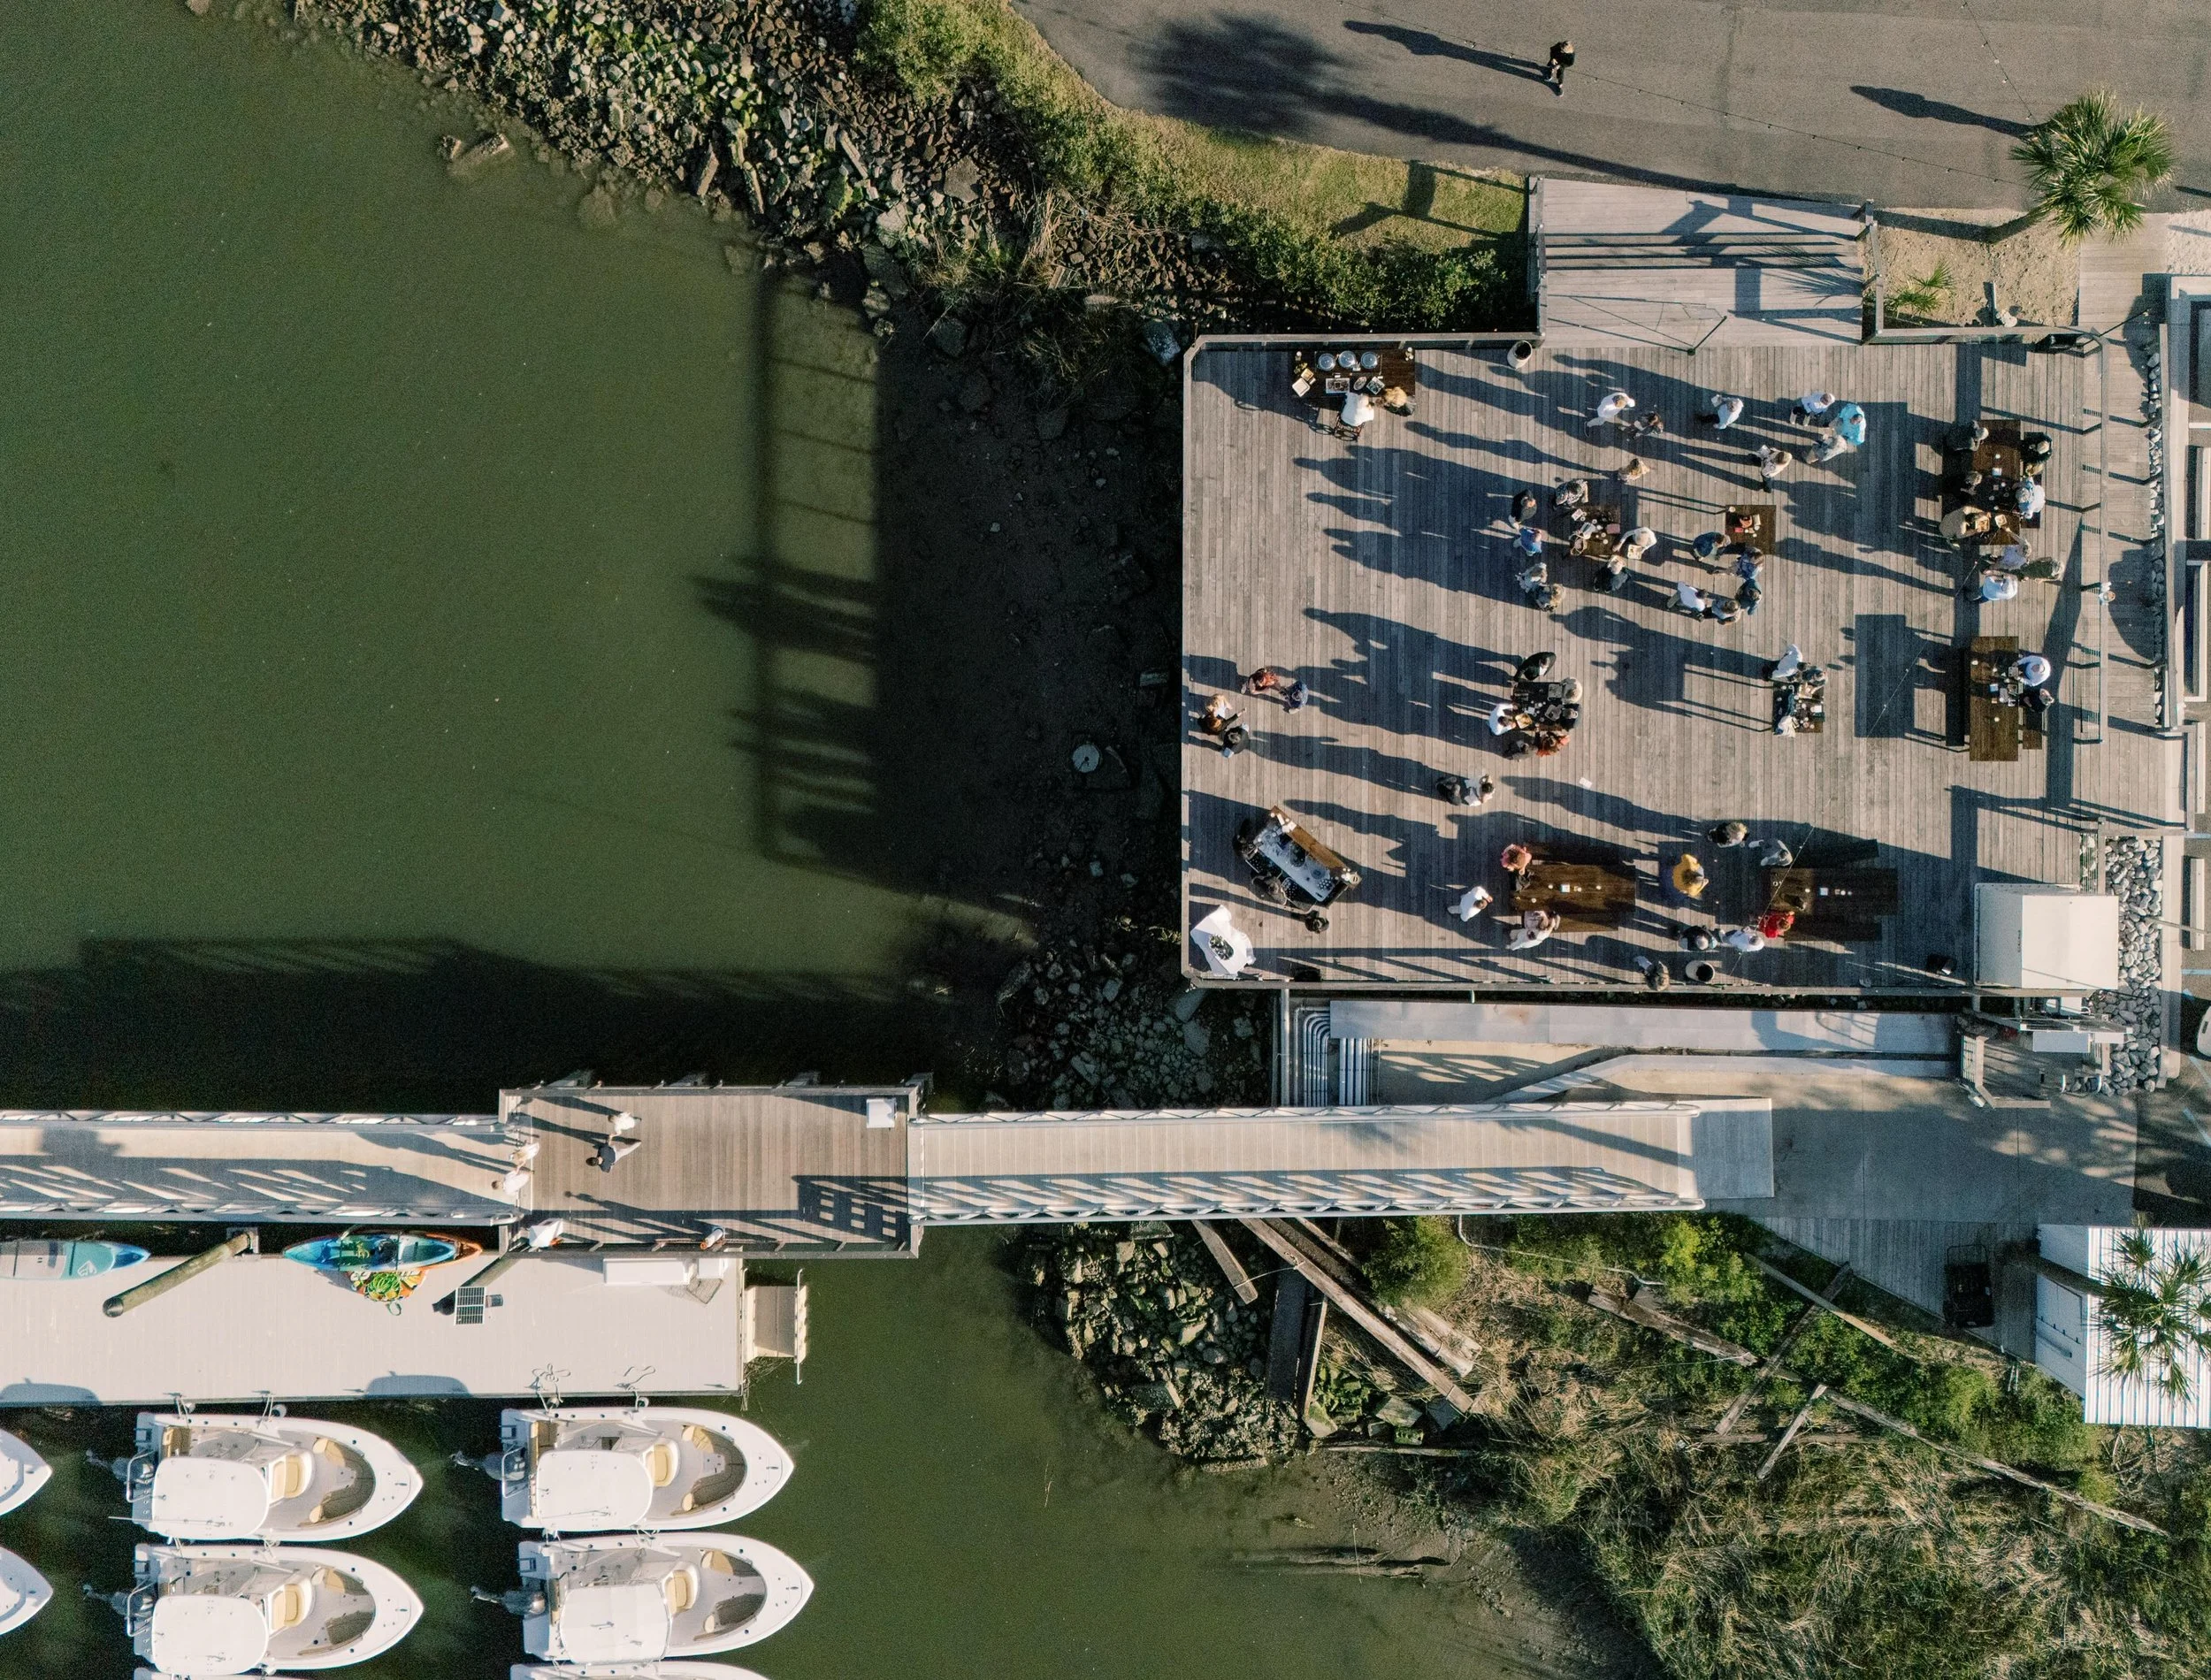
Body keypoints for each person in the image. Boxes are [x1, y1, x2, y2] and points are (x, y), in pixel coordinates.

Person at [1244, 667, 1309, 708]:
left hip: (1263, 683)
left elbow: (1274, 682)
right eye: (1262, 683)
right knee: (1247, 687)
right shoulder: (1252, 682)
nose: (1263, 684)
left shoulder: (1265, 673)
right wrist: (1262, 691)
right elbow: (1252, 692)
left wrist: (1280, 688)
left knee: (1275, 684)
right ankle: (1244, 686)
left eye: (1264, 682)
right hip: (1252, 686)